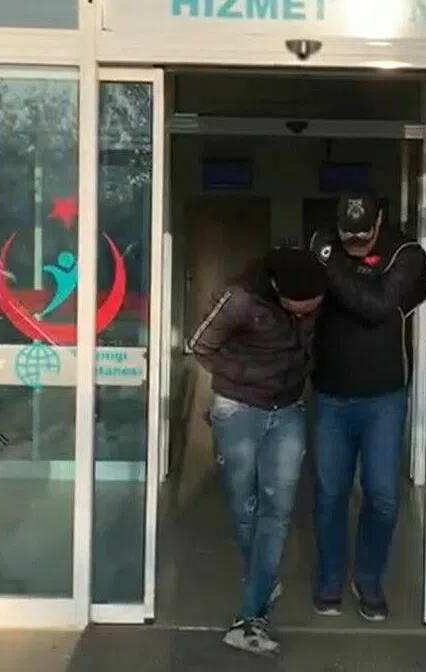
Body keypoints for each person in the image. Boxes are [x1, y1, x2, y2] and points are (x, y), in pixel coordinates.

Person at [186, 246, 326, 656]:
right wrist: (249, 375)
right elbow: (200, 344)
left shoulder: (316, 298)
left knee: (276, 511)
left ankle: (250, 617)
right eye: (299, 307)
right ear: (278, 292)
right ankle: (263, 578)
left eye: (313, 306)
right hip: (238, 410)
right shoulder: (239, 299)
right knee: (243, 506)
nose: (306, 313)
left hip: (288, 411)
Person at [308, 192, 426, 622]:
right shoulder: (323, 243)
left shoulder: (407, 253)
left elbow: (377, 308)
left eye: (363, 235)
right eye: (348, 236)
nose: (355, 243)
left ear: (379, 224)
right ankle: (329, 579)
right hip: (330, 395)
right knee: (329, 496)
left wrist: (331, 265)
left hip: (384, 398)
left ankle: (368, 578)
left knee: (382, 496)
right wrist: (330, 264)